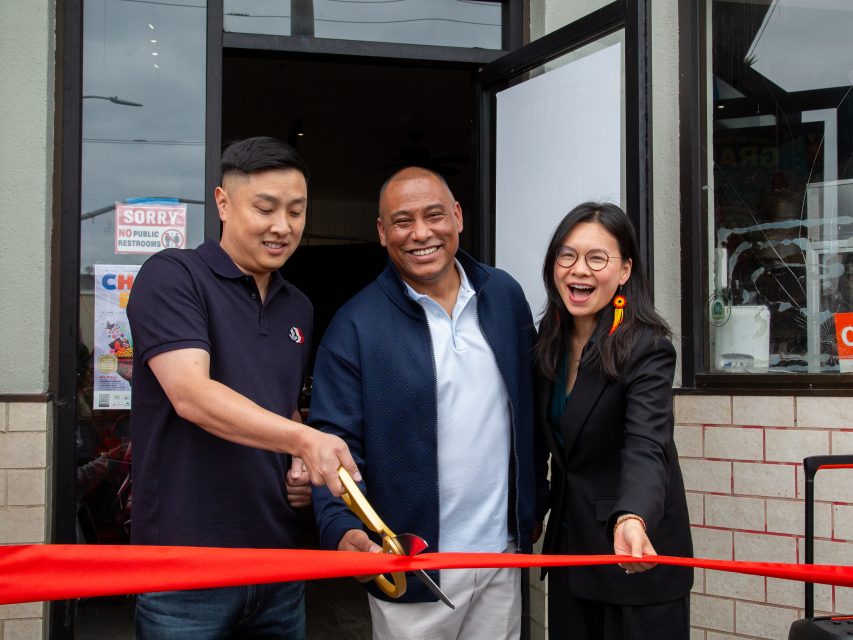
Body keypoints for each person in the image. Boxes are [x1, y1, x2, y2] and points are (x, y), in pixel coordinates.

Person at [127, 136, 360, 640]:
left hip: (278, 564)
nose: (283, 226)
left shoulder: (299, 305)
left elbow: (280, 408)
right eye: (266, 208)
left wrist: (299, 458)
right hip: (185, 568)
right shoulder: (173, 275)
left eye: (296, 211)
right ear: (223, 203)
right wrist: (304, 442)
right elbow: (191, 393)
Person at [310, 166, 548, 640]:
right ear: (381, 233)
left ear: (457, 217)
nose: (421, 233)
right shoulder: (355, 325)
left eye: (434, 215)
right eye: (402, 221)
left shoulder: (503, 296)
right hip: (411, 564)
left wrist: (532, 503)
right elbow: (331, 446)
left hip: (501, 555)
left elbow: (532, 408)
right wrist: (338, 529)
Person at [535, 202, 693, 640]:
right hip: (570, 555)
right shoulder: (549, 342)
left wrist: (633, 516)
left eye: (596, 258)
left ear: (624, 271)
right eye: (566, 256)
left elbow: (647, 443)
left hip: (633, 556)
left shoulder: (647, 347)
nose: (578, 270)